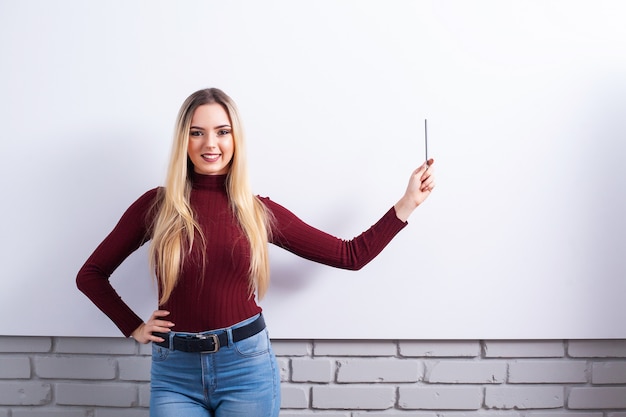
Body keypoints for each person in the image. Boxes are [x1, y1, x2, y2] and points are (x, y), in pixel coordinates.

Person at [76, 87, 435, 417]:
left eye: (222, 131)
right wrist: (133, 326)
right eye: (197, 132)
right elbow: (90, 275)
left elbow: (350, 256)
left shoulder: (256, 211)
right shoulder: (157, 206)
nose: (210, 143)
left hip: (245, 368)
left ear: (236, 139)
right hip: (175, 373)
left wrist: (407, 203)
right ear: (183, 140)